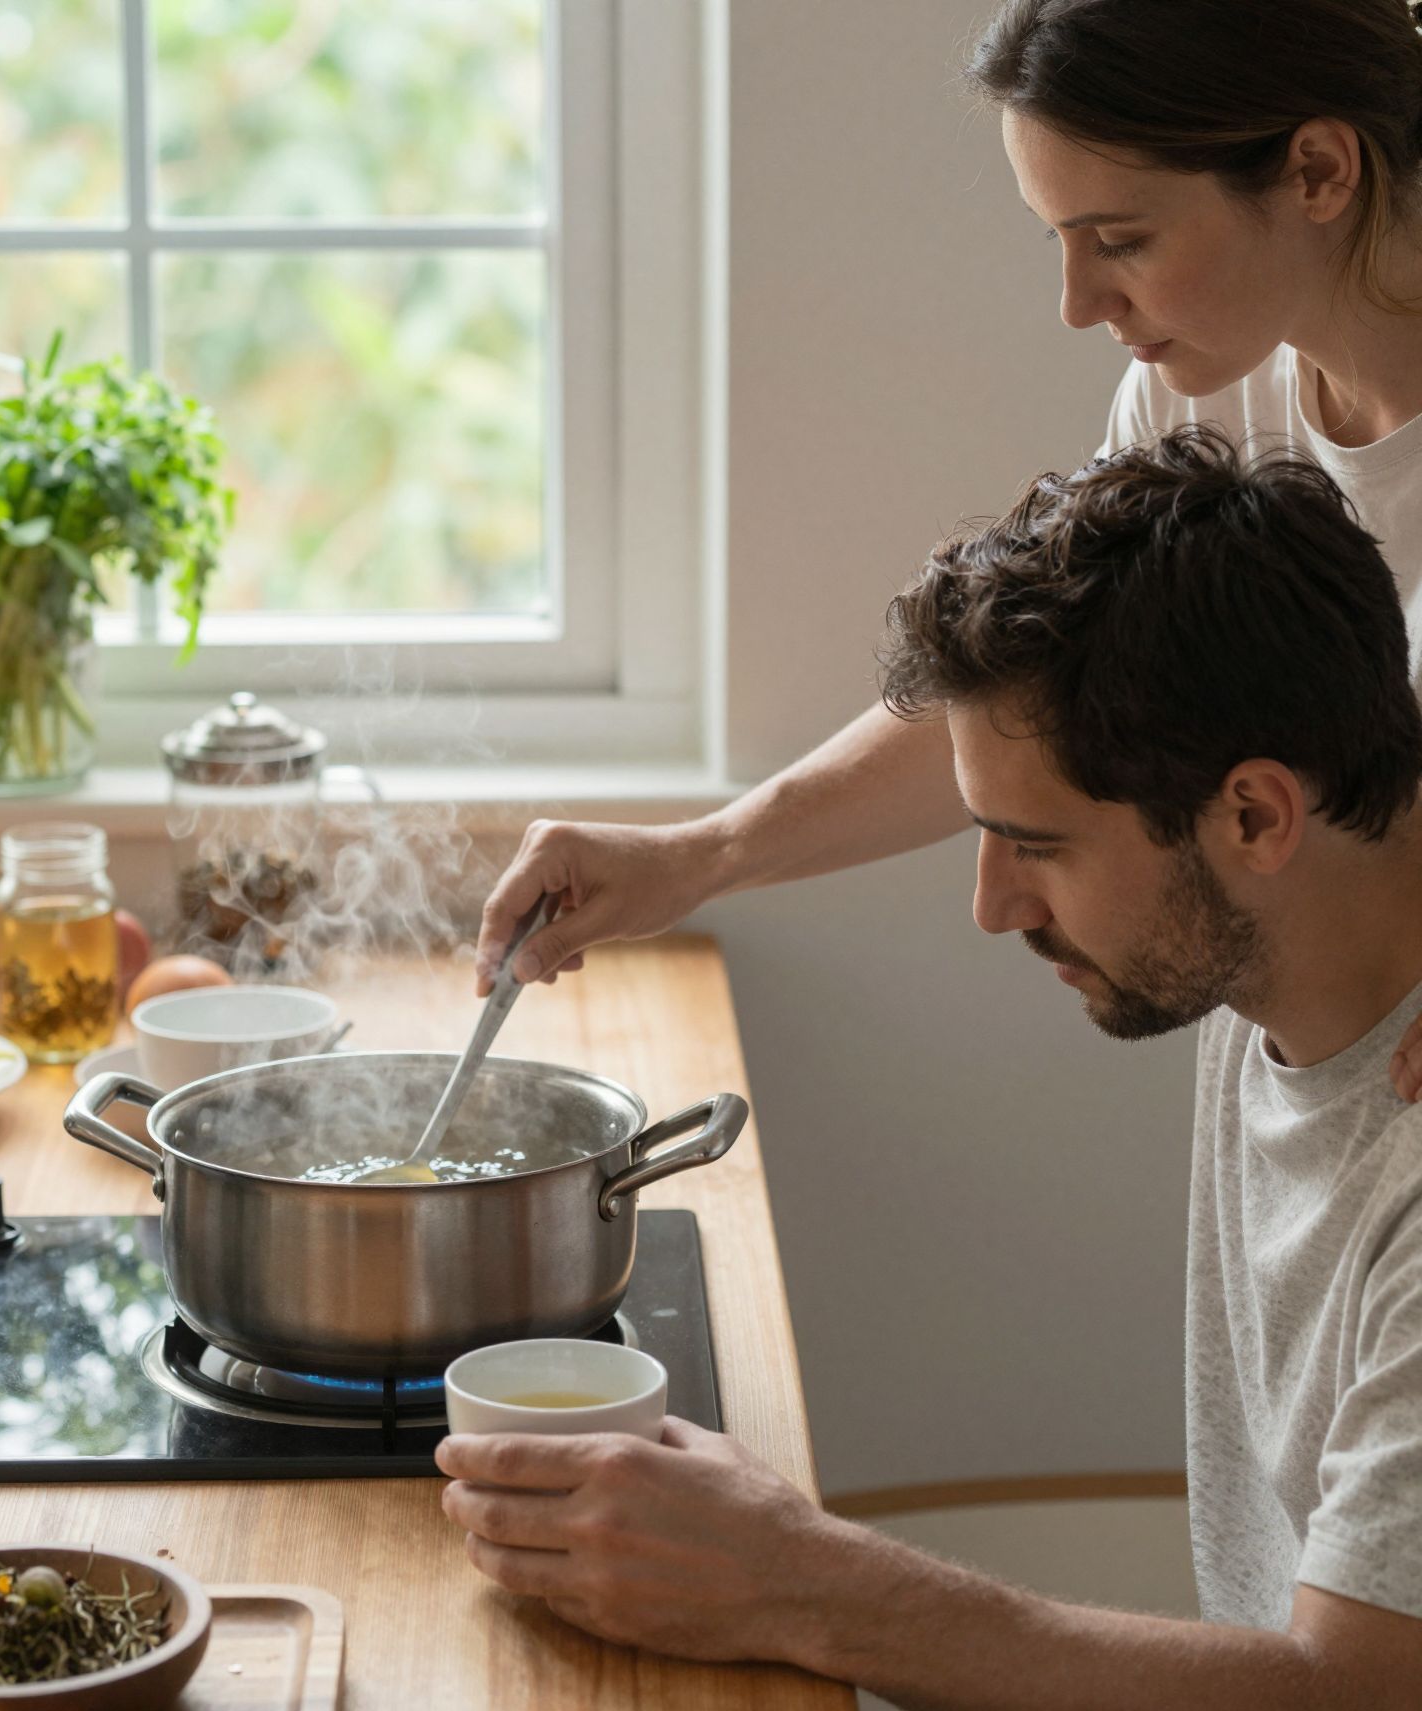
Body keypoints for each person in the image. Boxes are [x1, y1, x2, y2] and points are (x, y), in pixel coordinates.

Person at [438, 427, 1422, 1711]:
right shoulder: (1280, 956)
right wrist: (703, 849)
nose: (990, 903)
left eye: (1033, 843)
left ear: (1253, 813)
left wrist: (801, 1578)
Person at [473, 0, 1422, 1099]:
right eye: (1059, 238)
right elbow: (1044, 707)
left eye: (1122, 240)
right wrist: (701, 856)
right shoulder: (1208, 392)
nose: (1078, 304)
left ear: (1315, 172)